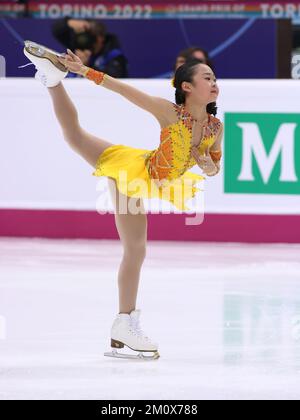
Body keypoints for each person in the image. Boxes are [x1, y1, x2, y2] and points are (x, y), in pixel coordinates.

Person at [23, 40, 223, 360]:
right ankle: (124, 322)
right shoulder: (168, 112)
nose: (215, 83)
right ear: (187, 86)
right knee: (136, 249)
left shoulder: (215, 127)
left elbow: (214, 168)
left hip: (153, 174)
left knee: (75, 136)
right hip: (134, 174)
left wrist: (208, 164)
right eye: (208, 78)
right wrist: (83, 70)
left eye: (215, 79)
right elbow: (123, 90)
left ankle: (51, 80)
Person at [52, 18, 128, 78]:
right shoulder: (77, 47)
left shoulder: (114, 55)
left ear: (100, 38)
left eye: (89, 37)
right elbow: (57, 30)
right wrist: (71, 22)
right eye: (83, 35)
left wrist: (86, 67)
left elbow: (114, 79)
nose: (84, 40)